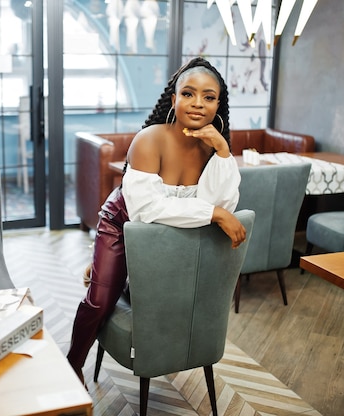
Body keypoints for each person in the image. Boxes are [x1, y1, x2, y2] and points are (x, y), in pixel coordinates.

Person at [67, 57, 247, 384]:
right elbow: (145, 209)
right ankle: (73, 364)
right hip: (123, 222)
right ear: (174, 97)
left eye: (209, 97)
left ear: (219, 104)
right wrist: (214, 214)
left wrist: (222, 150)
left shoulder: (212, 148)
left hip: (172, 231)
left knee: (160, 297)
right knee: (101, 300)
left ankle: (107, 270)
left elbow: (223, 201)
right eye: (189, 93)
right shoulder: (150, 138)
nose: (198, 103)